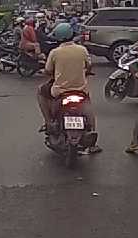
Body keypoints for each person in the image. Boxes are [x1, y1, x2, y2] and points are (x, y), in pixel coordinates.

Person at [36, 22, 101, 152]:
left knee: (40, 92)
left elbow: (48, 70)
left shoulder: (55, 52)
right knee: (88, 109)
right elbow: (88, 66)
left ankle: (49, 122)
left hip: (60, 91)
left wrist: (49, 72)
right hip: (80, 90)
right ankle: (92, 137)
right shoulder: (82, 50)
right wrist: (86, 72)